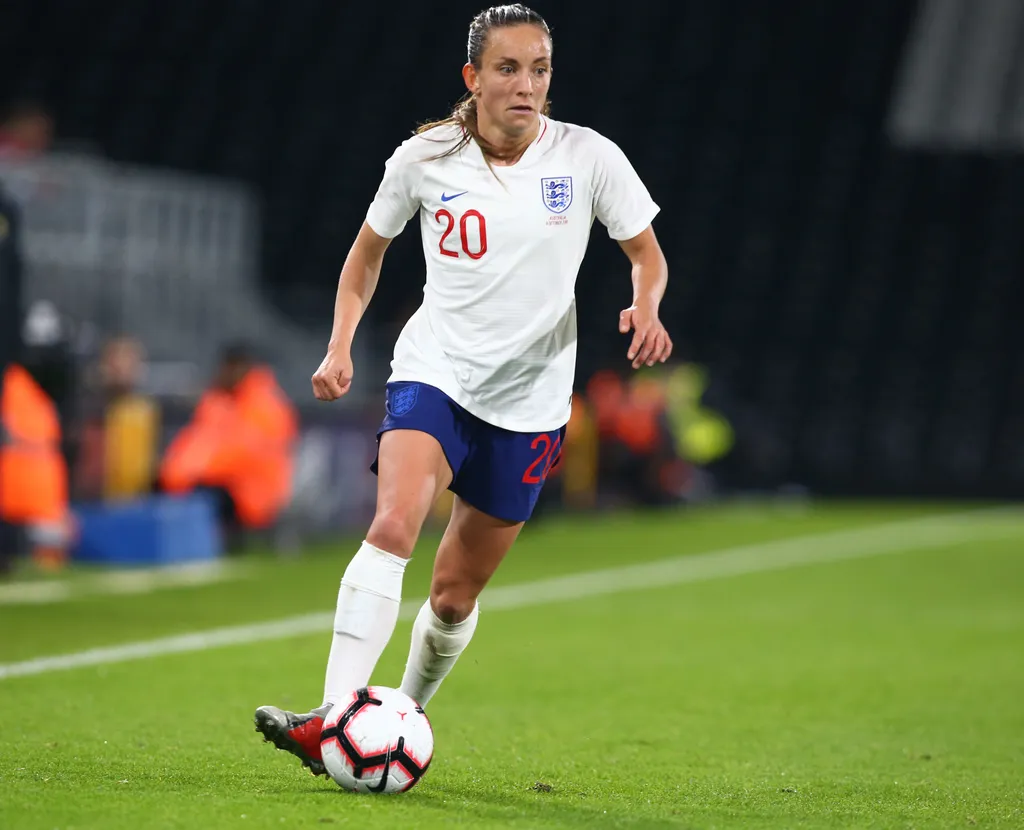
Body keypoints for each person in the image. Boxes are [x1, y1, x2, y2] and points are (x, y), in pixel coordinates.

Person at [255, 3, 672, 776]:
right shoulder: (424, 158)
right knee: (393, 524)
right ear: (472, 77)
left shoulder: (587, 158)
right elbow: (365, 257)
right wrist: (341, 343)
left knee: (451, 597)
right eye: (509, 69)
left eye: (539, 69)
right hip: (436, 370)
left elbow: (646, 253)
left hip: (533, 403)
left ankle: (403, 713)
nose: (526, 85)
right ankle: (333, 716)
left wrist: (646, 303)